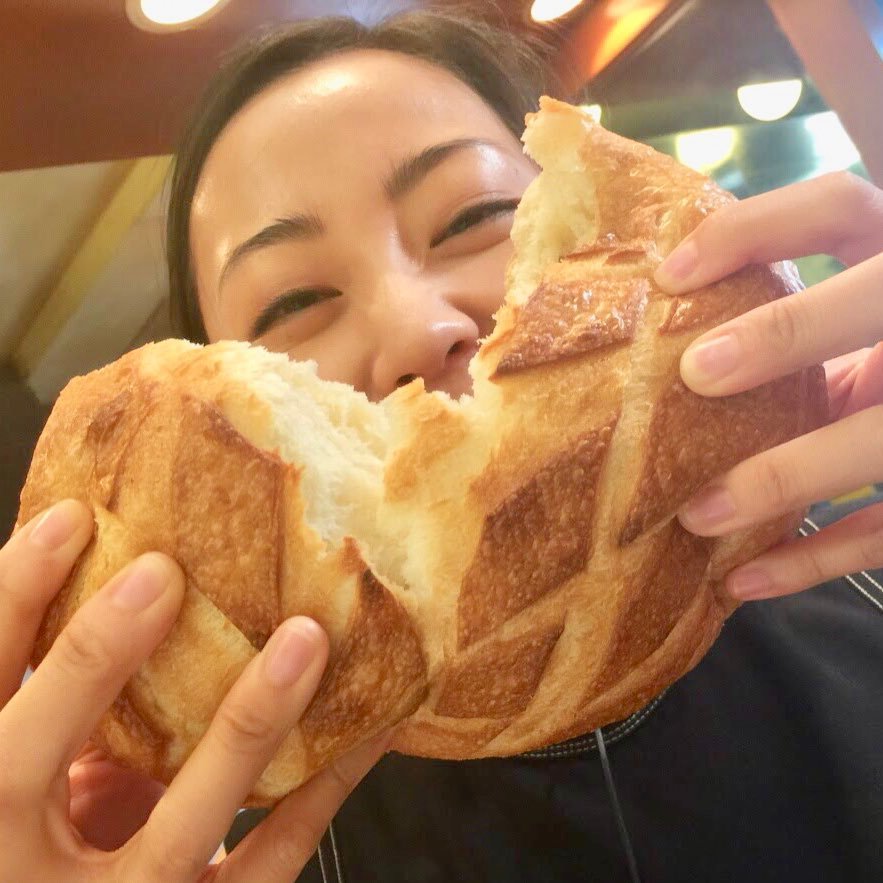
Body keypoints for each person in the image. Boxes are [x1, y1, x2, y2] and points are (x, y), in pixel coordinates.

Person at [2, 8, 882, 882]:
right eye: (289, 306)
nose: (417, 329)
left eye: (476, 217)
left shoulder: (857, 559)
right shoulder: (249, 857)